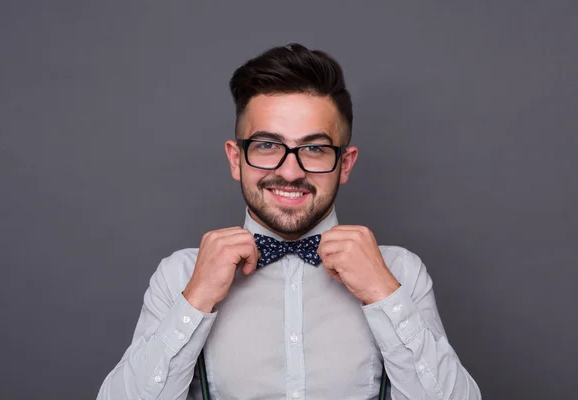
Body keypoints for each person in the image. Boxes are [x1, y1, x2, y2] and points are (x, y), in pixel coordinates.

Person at [96, 43, 481, 400]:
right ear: (236, 158)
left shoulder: (401, 273)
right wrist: (195, 301)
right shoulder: (180, 276)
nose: (291, 172)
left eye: (314, 148)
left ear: (344, 164)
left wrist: (384, 294)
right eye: (267, 145)